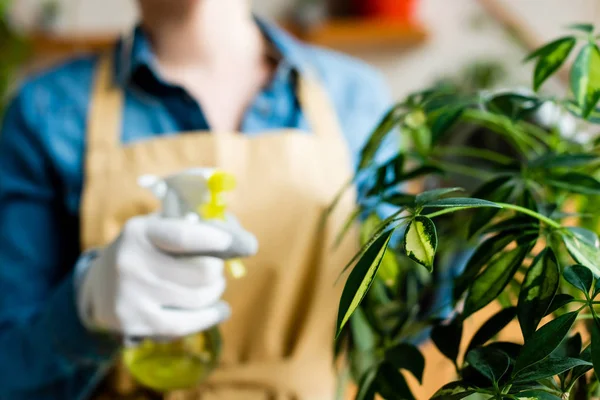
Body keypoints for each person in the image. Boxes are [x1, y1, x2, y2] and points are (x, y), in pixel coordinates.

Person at [0, 0, 395, 398]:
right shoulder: (45, 115)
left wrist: (452, 250)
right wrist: (85, 308)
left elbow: (400, 321)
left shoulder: (357, 100)